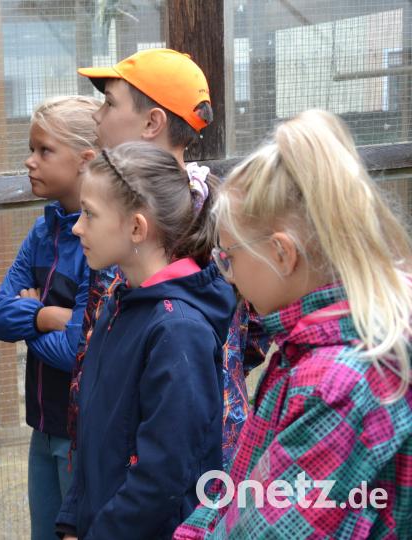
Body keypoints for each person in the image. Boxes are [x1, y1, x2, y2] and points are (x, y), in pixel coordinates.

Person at [174, 110, 412, 539]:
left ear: (282, 254)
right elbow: (245, 493)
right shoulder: (321, 342)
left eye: (228, 256)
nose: (227, 274)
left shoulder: (338, 383)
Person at [73, 48, 269, 466]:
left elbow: (259, 320)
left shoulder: (222, 220)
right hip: (120, 444)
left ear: (152, 122)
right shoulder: (113, 206)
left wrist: (212, 372)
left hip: (181, 462)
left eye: (109, 103)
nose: (97, 116)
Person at [58, 142, 236, 539]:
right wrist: (72, 521)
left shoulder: (177, 331)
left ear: (137, 227)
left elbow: (162, 477)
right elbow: (92, 439)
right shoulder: (119, 306)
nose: (77, 226)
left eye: (90, 214)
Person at [0, 95, 103, 539]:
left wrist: (28, 316)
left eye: (44, 150)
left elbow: (79, 351)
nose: (29, 161)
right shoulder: (43, 230)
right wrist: (48, 316)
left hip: (83, 432)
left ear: (85, 160)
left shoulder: (101, 242)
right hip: (43, 425)